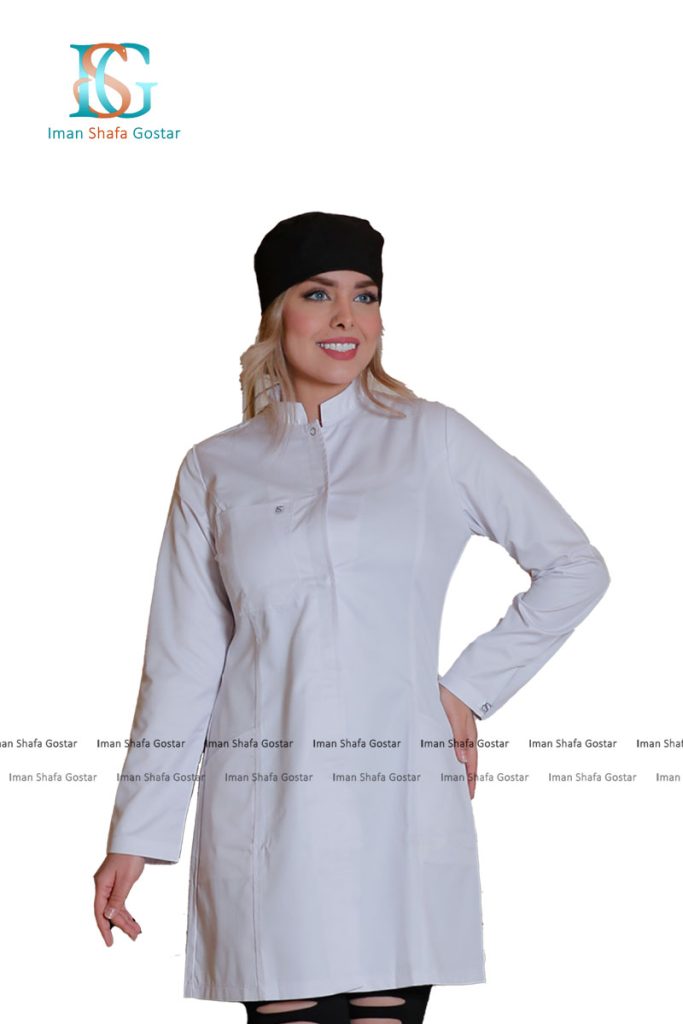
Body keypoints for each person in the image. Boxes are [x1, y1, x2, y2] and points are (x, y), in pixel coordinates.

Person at [93, 211, 611, 1024]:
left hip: (395, 799)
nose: (345, 318)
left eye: (364, 296)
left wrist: (465, 689)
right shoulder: (215, 468)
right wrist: (135, 833)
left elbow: (573, 566)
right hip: (266, 808)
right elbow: (184, 664)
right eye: (317, 294)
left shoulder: (432, 438)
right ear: (275, 314)